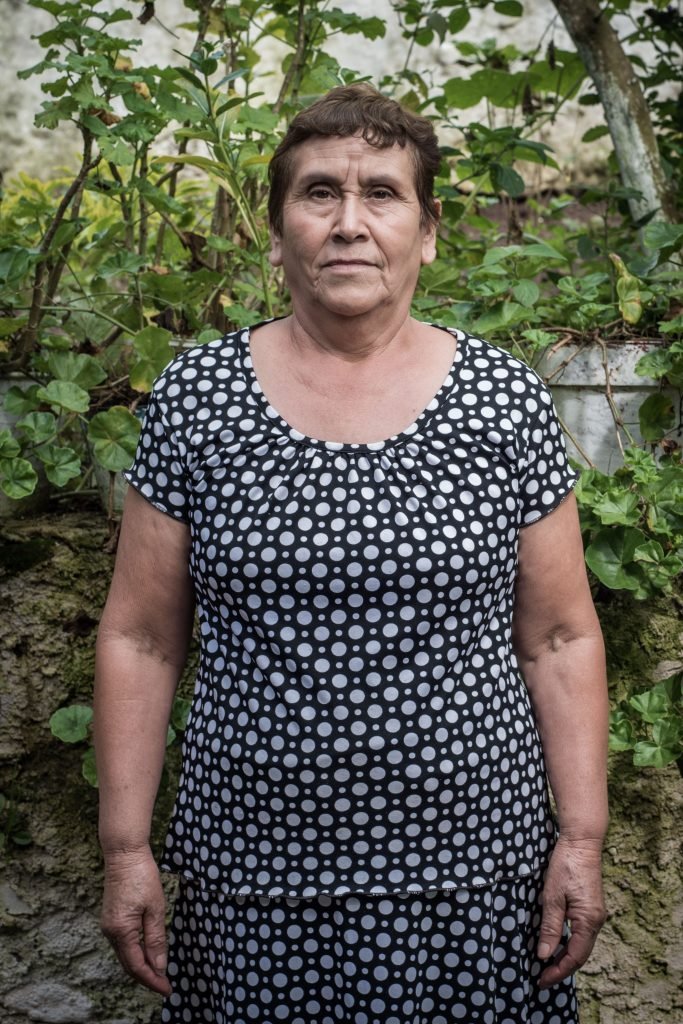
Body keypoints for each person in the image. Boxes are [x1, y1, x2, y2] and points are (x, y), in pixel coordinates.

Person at [94, 83, 609, 1024]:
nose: (348, 223)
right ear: (279, 225)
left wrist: (580, 837)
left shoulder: (502, 401)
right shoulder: (197, 399)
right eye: (319, 192)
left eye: (381, 193)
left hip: (475, 871)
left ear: (428, 229)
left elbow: (562, 638)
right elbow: (141, 639)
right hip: (249, 874)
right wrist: (127, 848)